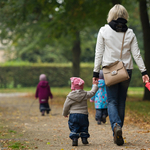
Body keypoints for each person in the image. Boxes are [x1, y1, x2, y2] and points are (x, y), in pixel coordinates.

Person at [93, 4, 149, 146]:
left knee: (112, 101)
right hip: (126, 71)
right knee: (121, 101)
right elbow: (136, 54)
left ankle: (116, 127)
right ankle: (118, 130)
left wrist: (95, 72)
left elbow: (98, 53)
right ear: (125, 16)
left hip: (109, 71)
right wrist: (144, 72)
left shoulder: (103, 30)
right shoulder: (130, 33)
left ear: (111, 15)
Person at [62, 77, 98, 146]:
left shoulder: (70, 96)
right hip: (83, 115)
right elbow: (92, 92)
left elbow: (66, 106)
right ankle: (84, 138)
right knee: (84, 126)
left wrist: (65, 113)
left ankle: (75, 139)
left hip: (73, 115)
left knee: (74, 126)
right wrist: (95, 85)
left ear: (72, 86)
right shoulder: (85, 94)